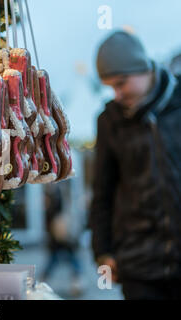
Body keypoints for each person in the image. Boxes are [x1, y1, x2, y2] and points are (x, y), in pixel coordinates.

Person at [90, 30, 181, 299]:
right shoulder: (109, 120)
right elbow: (102, 190)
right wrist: (102, 251)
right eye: (111, 87)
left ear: (141, 68)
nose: (117, 94)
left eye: (121, 83)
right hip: (138, 265)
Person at [41, 183, 83, 297]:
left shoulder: (57, 191)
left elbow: (53, 212)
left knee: (63, 257)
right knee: (59, 258)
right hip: (61, 233)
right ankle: (76, 282)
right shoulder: (62, 190)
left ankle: (44, 282)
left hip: (61, 232)